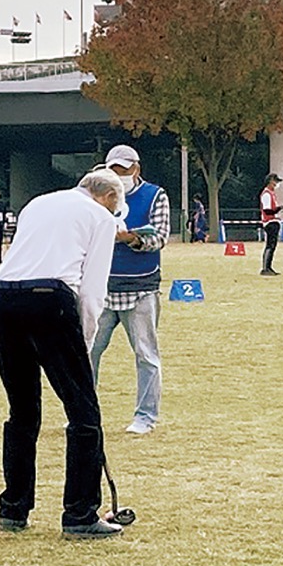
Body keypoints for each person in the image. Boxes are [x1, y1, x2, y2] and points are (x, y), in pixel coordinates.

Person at [0, 168, 124, 539]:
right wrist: (85, 341)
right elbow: (92, 290)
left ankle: (13, 509)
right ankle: (80, 514)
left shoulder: (38, 203)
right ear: (109, 198)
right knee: (83, 413)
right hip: (50, 302)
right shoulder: (101, 217)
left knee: (22, 412)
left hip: (3, 300)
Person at [90, 144, 169, 436]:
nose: (119, 175)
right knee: (87, 353)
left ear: (137, 169)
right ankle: (83, 412)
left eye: (124, 170)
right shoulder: (95, 196)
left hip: (141, 287)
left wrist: (131, 239)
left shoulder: (155, 195)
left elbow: (160, 237)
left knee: (146, 355)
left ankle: (145, 416)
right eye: (114, 170)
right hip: (101, 287)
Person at [259, 172, 283, 276]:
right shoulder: (266, 194)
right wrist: (281, 208)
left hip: (273, 221)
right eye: (276, 182)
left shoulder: (271, 193)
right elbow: (268, 211)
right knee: (270, 245)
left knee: (272, 246)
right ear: (270, 182)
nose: (277, 184)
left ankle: (269, 267)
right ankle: (265, 268)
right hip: (270, 222)